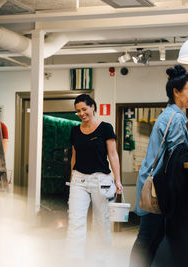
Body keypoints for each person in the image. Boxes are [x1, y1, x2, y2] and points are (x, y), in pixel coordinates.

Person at [130, 65, 188, 267]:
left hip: (154, 182)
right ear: (176, 91)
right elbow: (179, 151)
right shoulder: (175, 117)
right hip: (157, 187)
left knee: (151, 238)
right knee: (147, 238)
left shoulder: (170, 114)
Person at [66, 94, 123, 266]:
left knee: (101, 222)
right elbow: (74, 156)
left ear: (93, 107)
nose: (81, 113)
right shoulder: (75, 130)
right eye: (78, 111)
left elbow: (113, 155)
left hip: (101, 180)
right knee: (75, 221)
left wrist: (118, 180)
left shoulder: (105, 128)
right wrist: (72, 177)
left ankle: (102, 259)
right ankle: (74, 260)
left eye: (84, 109)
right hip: (79, 180)